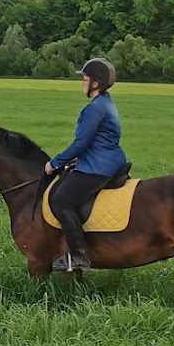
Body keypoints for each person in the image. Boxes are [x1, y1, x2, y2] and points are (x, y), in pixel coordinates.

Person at [44, 57, 127, 272]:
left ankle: (79, 255)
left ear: (95, 84)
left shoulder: (95, 108)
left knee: (61, 200)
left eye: (84, 79)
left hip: (98, 166)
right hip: (109, 159)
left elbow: (82, 141)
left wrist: (55, 163)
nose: (82, 82)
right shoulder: (106, 103)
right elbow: (100, 139)